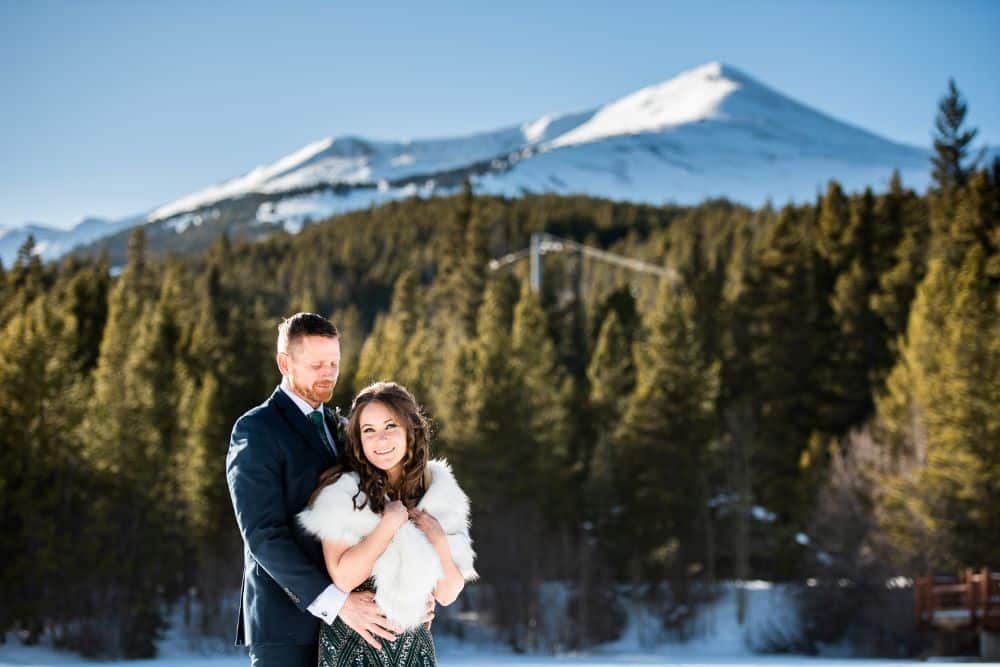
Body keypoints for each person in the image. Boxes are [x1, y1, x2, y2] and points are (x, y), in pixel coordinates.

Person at [226, 313, 406, 667]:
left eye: (334, 363)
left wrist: (410, 591)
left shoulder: (343, 428)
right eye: (317, 364)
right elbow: (262, 535)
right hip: (287, 629)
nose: (328, 373)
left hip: (355, 630)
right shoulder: (256, 430)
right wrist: (337, 602)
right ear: (284, 363)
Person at [298, 381, 477, 666]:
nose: (380, 440)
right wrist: (388, 525)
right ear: (358, 439)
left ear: (410, 429)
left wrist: (439, 540)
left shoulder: (438, 491)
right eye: (369, 430)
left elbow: (447, 593)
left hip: (412, 649)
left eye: (390, 426)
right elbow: (343, 577)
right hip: (354, 645)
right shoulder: (343, 492)